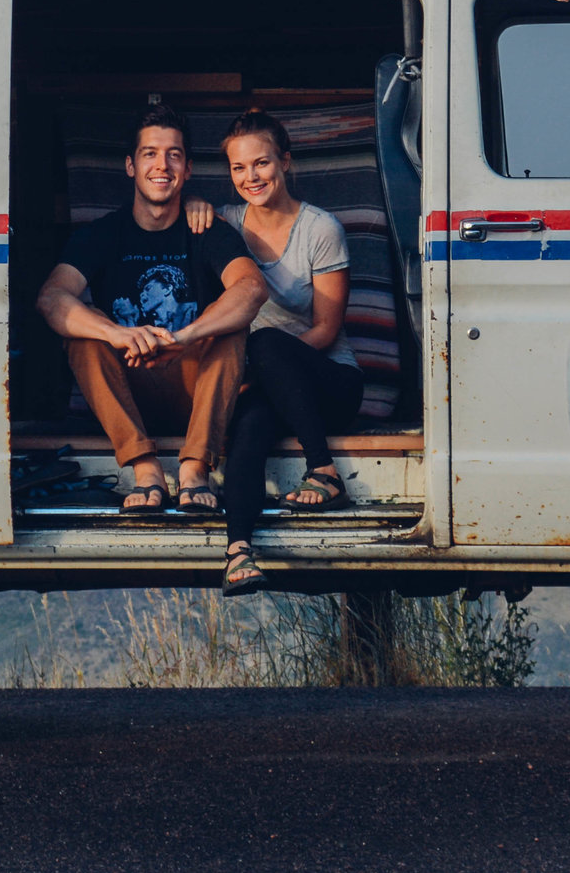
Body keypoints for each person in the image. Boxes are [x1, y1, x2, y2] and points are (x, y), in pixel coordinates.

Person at [36, 106, 268, 518]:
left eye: (174, 154)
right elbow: (52, 298)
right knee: (83, 335)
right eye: (149, 154)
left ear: (188, 168)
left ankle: (195, 469)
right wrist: (115, 333)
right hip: (126, 390)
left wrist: (187, 336)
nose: (162, 165)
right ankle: (147, 470)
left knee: (230, 327)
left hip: (194, 388)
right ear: (130, 166)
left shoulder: (207, 229)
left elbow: (252, 289)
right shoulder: (102, 233)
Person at [185, 109, 364, 595]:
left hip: (329, 384)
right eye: (239, 168)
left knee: (262, 342)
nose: (251, 177)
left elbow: (327, 331)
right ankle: (239, 550)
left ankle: (322, 469)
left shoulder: (320, 229)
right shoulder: (226, 224)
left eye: (261, 164)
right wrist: (195, 203)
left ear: (284, 162)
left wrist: (259, 368)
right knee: (249, 428)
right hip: (268, 385)